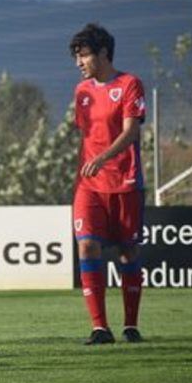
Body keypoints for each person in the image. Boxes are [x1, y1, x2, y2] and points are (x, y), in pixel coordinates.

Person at [69, 23, 146, 345]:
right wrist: (87, 166)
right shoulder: (82, 91)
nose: (79, 62)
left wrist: (103, 157)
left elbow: (131, 131)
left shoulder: (130, 84)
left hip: (125, 180)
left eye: (84, 55)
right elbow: (85, 136)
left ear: (103, 53)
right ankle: (100, 327)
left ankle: (130, 325)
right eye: (76, 56)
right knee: (87, 244)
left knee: (128, 251)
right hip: (89, 184)